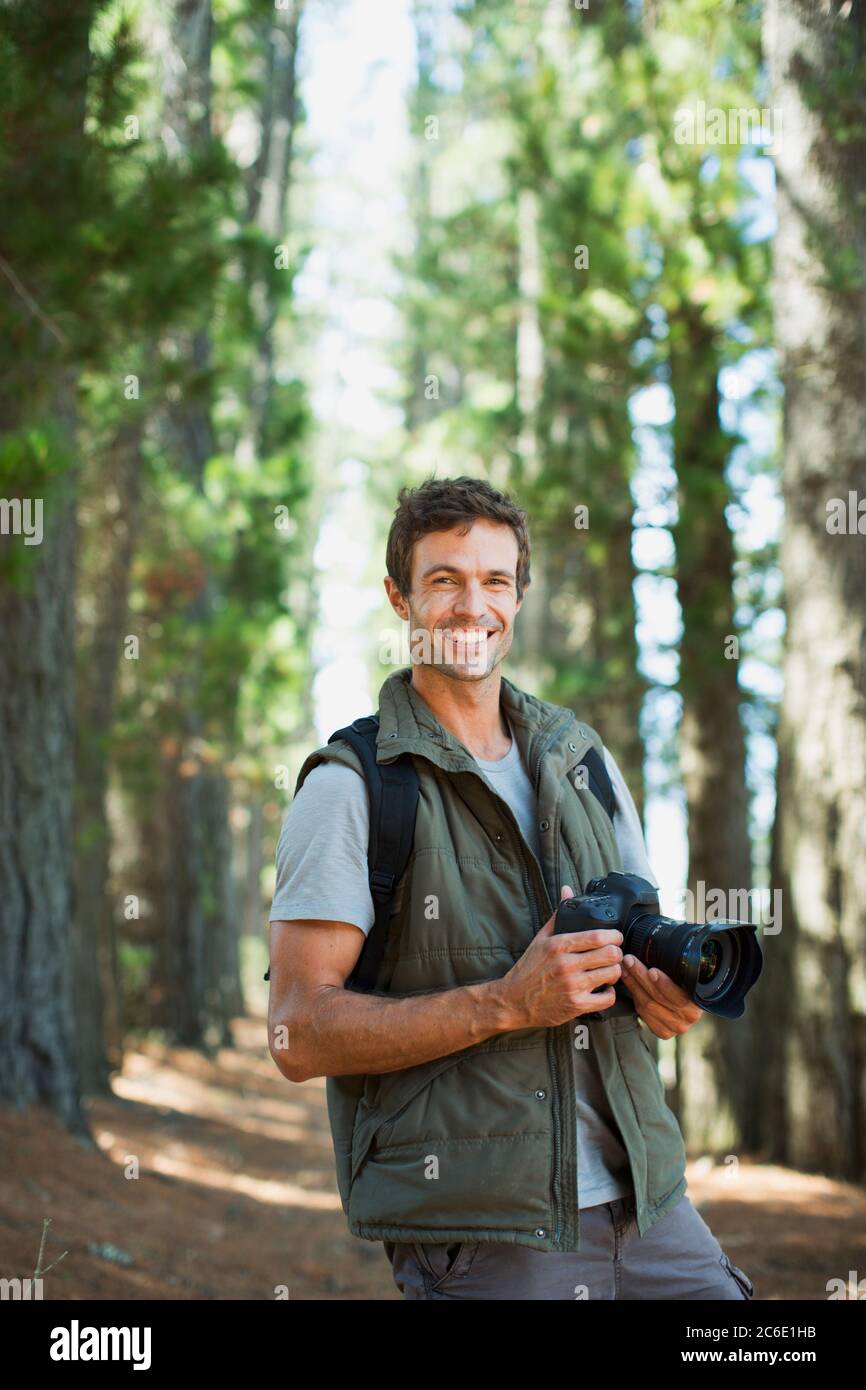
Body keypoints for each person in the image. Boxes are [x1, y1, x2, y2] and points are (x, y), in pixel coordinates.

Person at [266, 475, 755, 1301]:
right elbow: (296, 1036)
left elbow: (636, 948)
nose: (471, 606)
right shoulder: (353, 789)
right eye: (444, 579)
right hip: (489, 1235)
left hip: (654, 1207)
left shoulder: (584, 761)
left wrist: (664, 999)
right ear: (400, 598)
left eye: (495, 580)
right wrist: (505, 1004)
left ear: (519, 596)